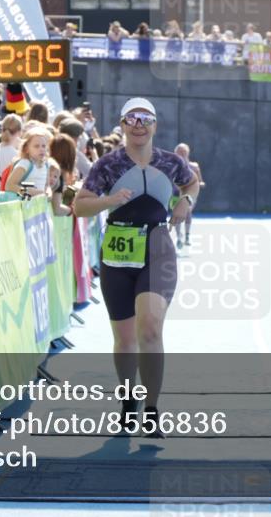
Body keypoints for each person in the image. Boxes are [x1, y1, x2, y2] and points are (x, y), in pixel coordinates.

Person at [72, 98, 199, 438]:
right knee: (125, 339)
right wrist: (108, 201)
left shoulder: (171, 162)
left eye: (145, 118)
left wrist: (186, 202)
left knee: (151, 328)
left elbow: (191, 183)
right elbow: (79, 207)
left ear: (155, 125)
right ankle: (129, 401)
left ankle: (152, 410)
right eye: (132, 118)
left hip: (157, 249)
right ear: (123, 124)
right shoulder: (107, 166)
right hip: (117, 254)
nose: (139, 124)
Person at [1, 124, 52, 198]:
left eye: (43, 146)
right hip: (23, 207)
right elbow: (9, 186)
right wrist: (31, 192)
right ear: (26, 149)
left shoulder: (46, 164)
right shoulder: (25, 164)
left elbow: (47, 185)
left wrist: (48, 192)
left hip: (39, 207)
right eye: (36, 146)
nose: (41, 149)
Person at [173, 143, 204, 248]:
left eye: (183, 152)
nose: (181, 154)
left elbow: (200, 181)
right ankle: (178, 237)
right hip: (176, 194)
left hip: (190, 195)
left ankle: (187, 235)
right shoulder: (172, 166)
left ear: (188, 153)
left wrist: (199, 184)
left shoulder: (194, 166)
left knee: (187, 211)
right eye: (179, 152)